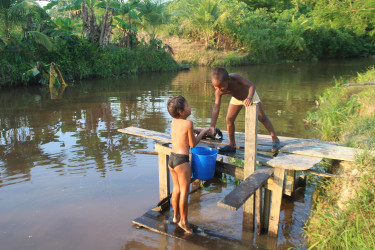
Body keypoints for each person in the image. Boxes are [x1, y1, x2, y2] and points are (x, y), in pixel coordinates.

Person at [208, 67, 280, 153]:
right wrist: (212, 126)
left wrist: (249, 98)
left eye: (221, 87)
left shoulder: (235, 78)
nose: (219, 90)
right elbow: (216, 108)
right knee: (229, 119)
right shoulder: (219, 91)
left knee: (261, 117)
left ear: (228, 79)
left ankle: (275, 139)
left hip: (250, 96)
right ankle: (232, 145)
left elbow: (251, 85)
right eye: (216, 87)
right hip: (237, 99)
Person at [167, 95, 210, 234]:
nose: (190, 107)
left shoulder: (174, 121)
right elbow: (192, 144)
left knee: (176, 190)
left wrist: (195, 130)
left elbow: (183, 131)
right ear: (181, 111)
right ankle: (184, 222)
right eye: (188, 106)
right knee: (185, 192)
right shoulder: (188, 123)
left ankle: (175, 217)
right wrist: (203, 131)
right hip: (182, 161)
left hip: (172, 159)